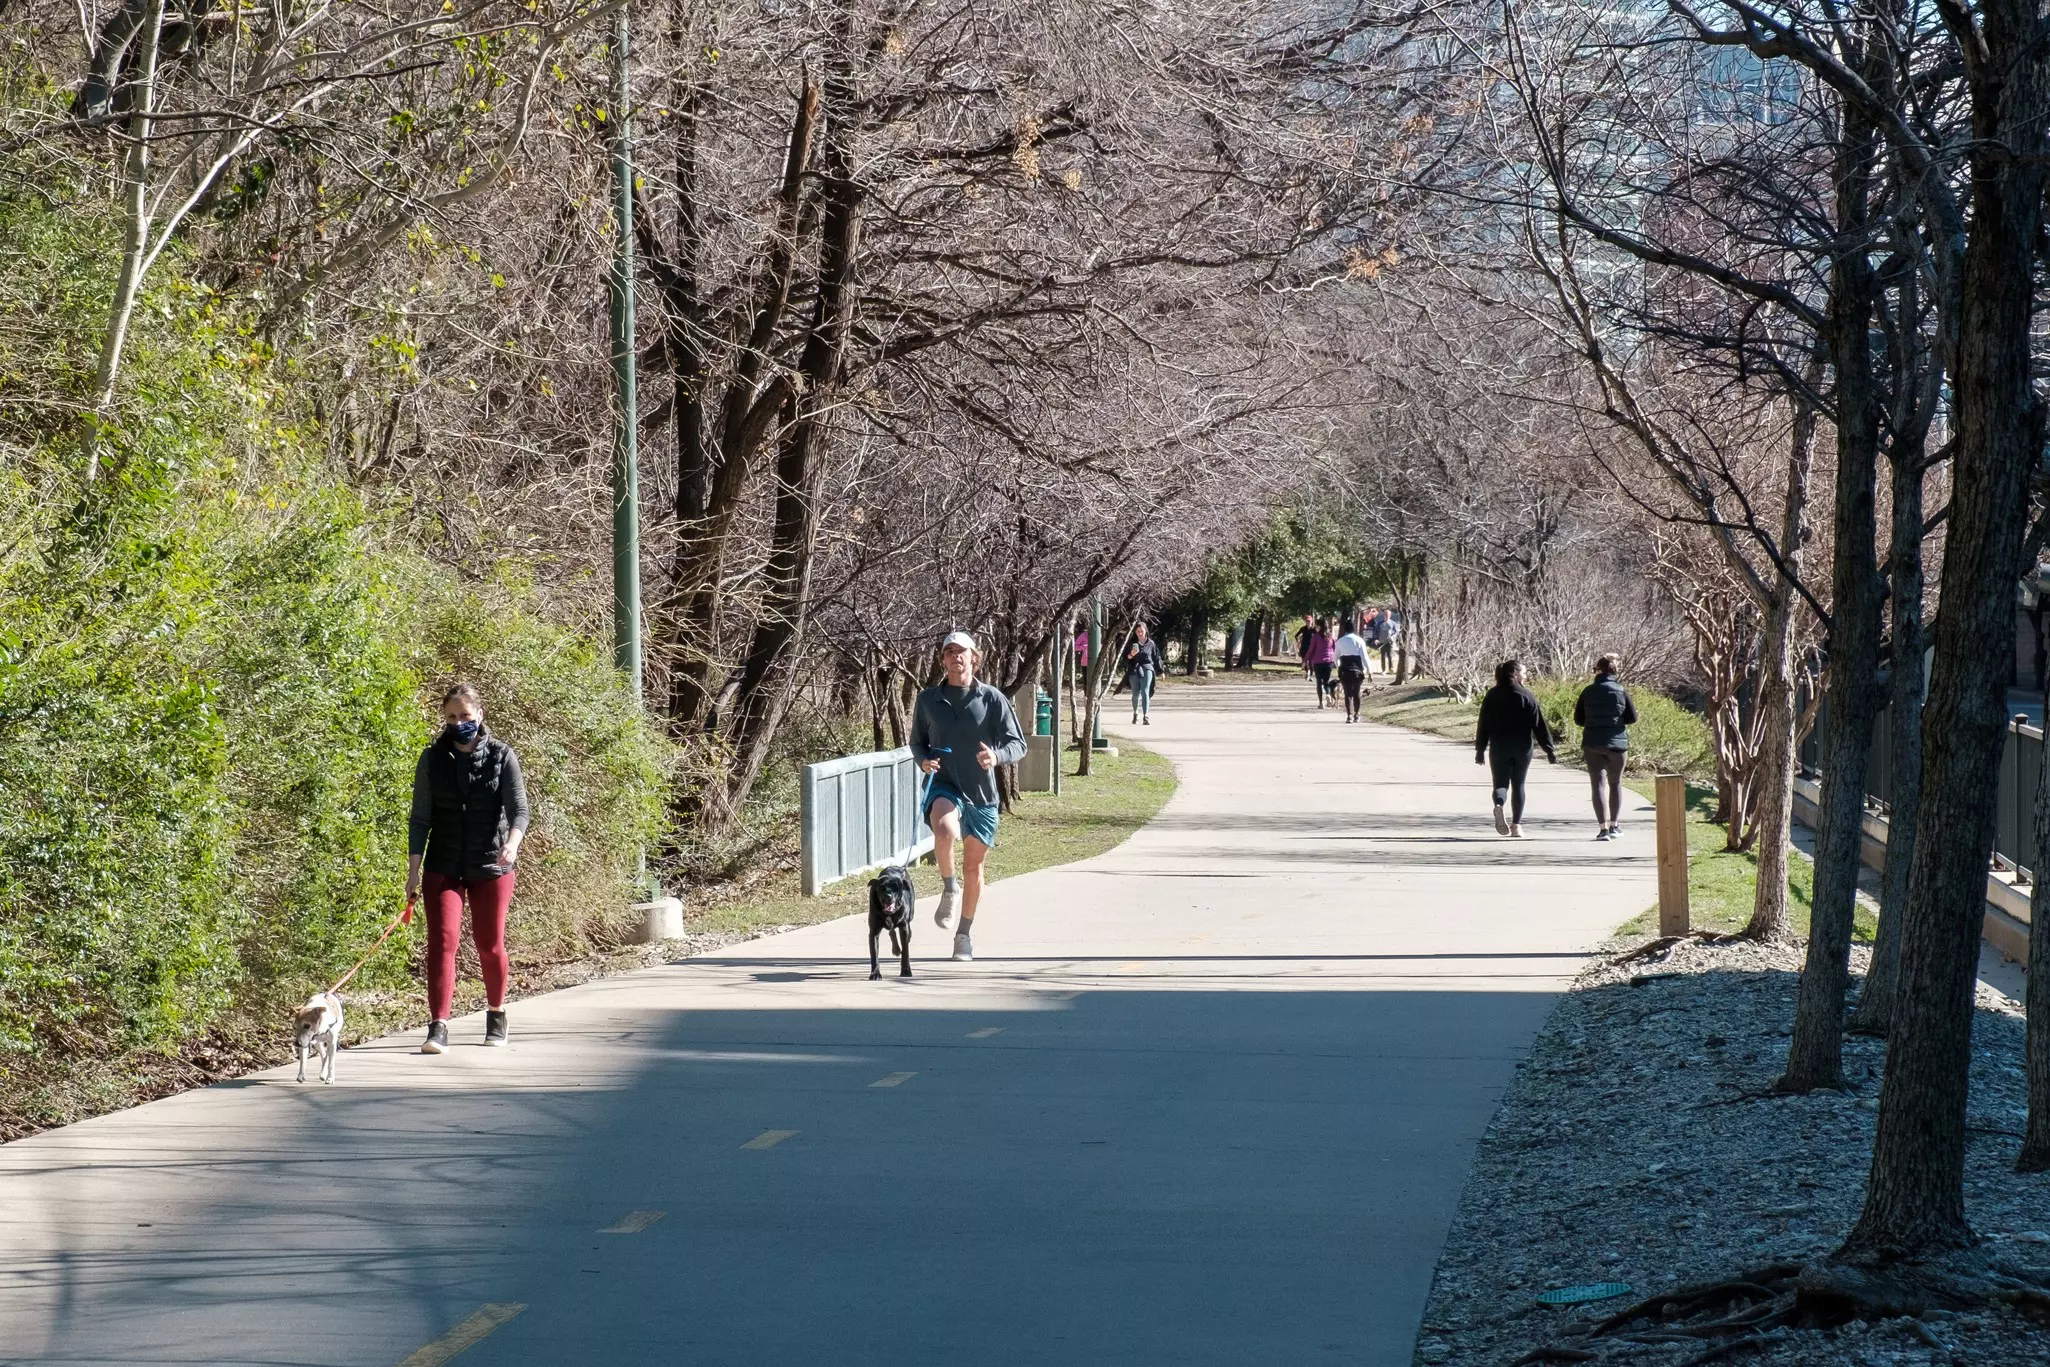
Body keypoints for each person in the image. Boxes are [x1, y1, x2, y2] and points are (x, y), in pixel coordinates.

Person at [406, 683, 530, 1054]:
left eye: (465, 716)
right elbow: (420, 819)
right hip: (443, 864)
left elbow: (520, 809)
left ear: (480, 715)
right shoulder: (431, 759)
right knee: (442, 943)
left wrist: (511, 844)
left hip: (490, 863)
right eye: (451, 717)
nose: (459, 722)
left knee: (490, 945)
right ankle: (438, 1026)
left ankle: (496, 1015)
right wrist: (413, 871)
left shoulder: (502, 756)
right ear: (444, 719)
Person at [911, 631, 1029, 962]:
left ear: (974, 657)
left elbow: (1017, 744)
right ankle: (949, 888)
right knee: (944, 828)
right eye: (948, 652)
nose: (955, 657)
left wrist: (996, 756)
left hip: (981, 792)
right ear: (943, 659)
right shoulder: (928, 699)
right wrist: (923, 760)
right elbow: (918, 741)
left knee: (974, 868)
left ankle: (963, 935)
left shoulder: (992, 698)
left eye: (961, 651)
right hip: (944, 782)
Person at [1475, 659, 1556, 838]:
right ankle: (1516, 826)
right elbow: (1539, 725)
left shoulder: (1492, 695)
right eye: (1524, 673)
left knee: (1500, 783)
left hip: (1499, 746)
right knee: (1519, 784)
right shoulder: (1527, 696)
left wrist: (1480, 750)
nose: (1526, 676)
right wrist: (1549, 749)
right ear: (1516, 673)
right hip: (1522, 747)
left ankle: (1498, 805)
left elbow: (1484, 724)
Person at [1574, 654, 1639, 840]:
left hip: (1593, 742)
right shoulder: (1621, 690)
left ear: (1598, 671)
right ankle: (1614, 825)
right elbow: (1632, 717)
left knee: (1597, 785)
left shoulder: (1587, 691)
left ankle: (1602, 829)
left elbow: (1578, 720)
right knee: (1615, 783)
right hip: (1617, 743)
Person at [1124, 622, 1165, 725]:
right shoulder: (1132, 643)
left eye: (1141, 631)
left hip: (1147, 668)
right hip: (1134, 669)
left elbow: (1156, 658)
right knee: (1135, 694)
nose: (1140, 633)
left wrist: (1161, 671)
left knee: (1145, 691)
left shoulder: (1151, 644)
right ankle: (1135, 713)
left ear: (1146, 631)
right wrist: (1131, 654)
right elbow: (1125, 658)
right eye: (1137, 631)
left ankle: (1146, 716)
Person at [1334, 619, 1371, 722]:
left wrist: (1339, 667)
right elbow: (1365, 657)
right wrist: (1369, 671)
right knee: (1356, 692)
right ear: (1354, 628)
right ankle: (1357, 714)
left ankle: (1349, 715)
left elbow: (1335, 658)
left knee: (1347, 693)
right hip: (1357, 671)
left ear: (1344, 629)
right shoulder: (1359, 640)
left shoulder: (1340, 641)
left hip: (1345, 670)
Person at [1303, 617, 1338, 708]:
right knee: (1326, 681)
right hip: (1329, 662)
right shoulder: (1331, 636)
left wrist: (1305, 660)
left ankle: (1320, 703)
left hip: (1318, 662)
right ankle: (1327, 694)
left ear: (1319, 626)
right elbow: (1335, 648)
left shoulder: (1315, 637)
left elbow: (1311, 650)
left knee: (1319, 682)